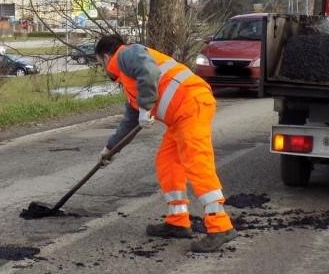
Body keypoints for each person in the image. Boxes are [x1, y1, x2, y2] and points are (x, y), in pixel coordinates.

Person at [95, 34, 238, 252]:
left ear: (106, 58)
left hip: (192, 104)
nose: (104, 69)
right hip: (180, 117)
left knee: (197, 163)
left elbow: (148, 71)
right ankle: (178, 222)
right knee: (167, 163)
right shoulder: (130, 82)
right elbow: (129, 124)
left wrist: (145, 106)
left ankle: (220, 226)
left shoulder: (127, 54)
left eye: (99, 64)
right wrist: (110, 150)